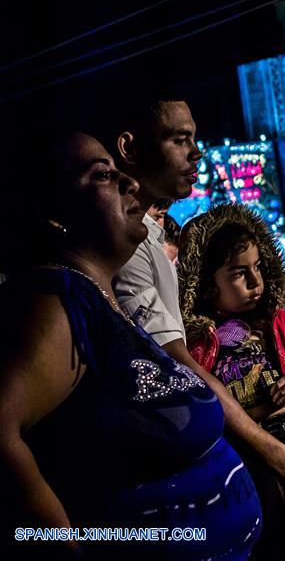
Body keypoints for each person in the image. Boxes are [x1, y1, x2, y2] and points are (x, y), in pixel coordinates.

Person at [0, 131, 262, 559]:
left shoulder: (96, 298)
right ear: (53, 215)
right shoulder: (58, 300)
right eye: (102, 174)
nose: (130, 183)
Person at [107, 95, 285, 530]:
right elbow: (179, 367)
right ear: (129, 148)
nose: (197, 152)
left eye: (195, 138)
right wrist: (282, 459)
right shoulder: (129, 248)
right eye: (180, 139)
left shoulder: (151, 239)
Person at [178, 203, 285, 558]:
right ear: (207, 287)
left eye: (257, 268)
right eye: (238, 273)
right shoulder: (200, 342)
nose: (256, 282)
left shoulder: (284, 322)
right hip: (240, 437)